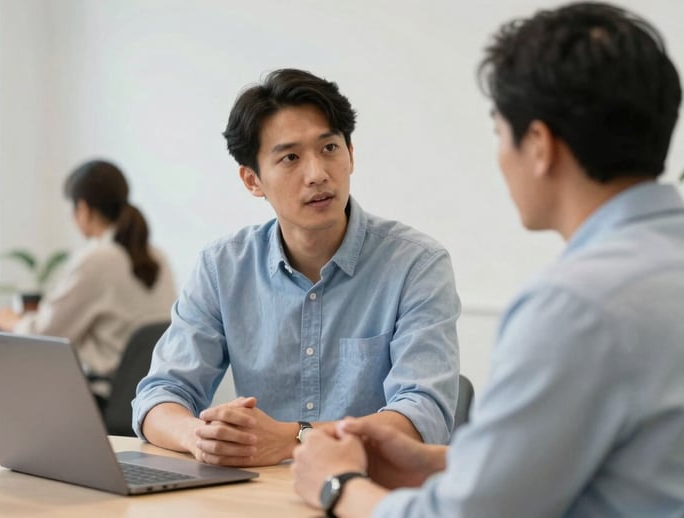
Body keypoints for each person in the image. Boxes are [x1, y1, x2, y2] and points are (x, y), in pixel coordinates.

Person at [292, 2, 684, 516]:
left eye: (499, 132)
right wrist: (436, 463)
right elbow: (619, 466)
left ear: (539, 145)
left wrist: (338, 484)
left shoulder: (576, 305)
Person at [132, 69, 461, 467]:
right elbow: (159, 394)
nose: (317, 174)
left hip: (369, 489)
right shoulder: (223, 267)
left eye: (329, 148)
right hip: (256, 493)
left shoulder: (416, 264)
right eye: (290, 157)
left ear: (351, 155)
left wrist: (295, 438)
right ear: (252, 180)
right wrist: (200, 437)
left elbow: (423, 414)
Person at [0, 160, 177, 399]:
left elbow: (44, 336)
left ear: (83, 208)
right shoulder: (157, 256)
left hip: (104, 397)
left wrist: (10, 321)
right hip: (151, 398)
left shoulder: (96, 259)